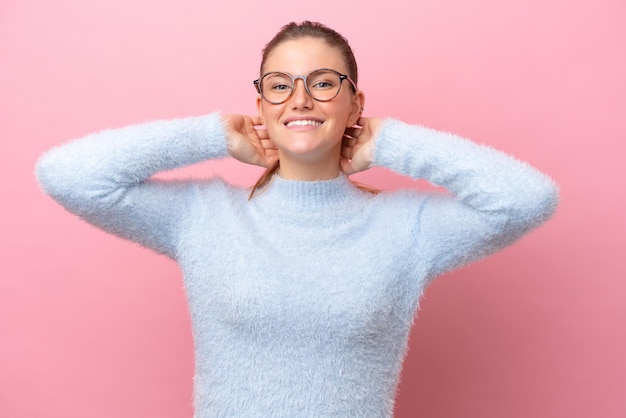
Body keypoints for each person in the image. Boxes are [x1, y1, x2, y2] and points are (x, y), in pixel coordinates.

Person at [36, 21, 558, 418]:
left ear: (356, 103)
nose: (301, 99)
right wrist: (213, 134)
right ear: (260, 104)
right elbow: (67, 174)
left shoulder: (406, 228)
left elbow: (528, 198)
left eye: (324, 83)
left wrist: (393, 142)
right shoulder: (204, 216)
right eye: (280, 85)